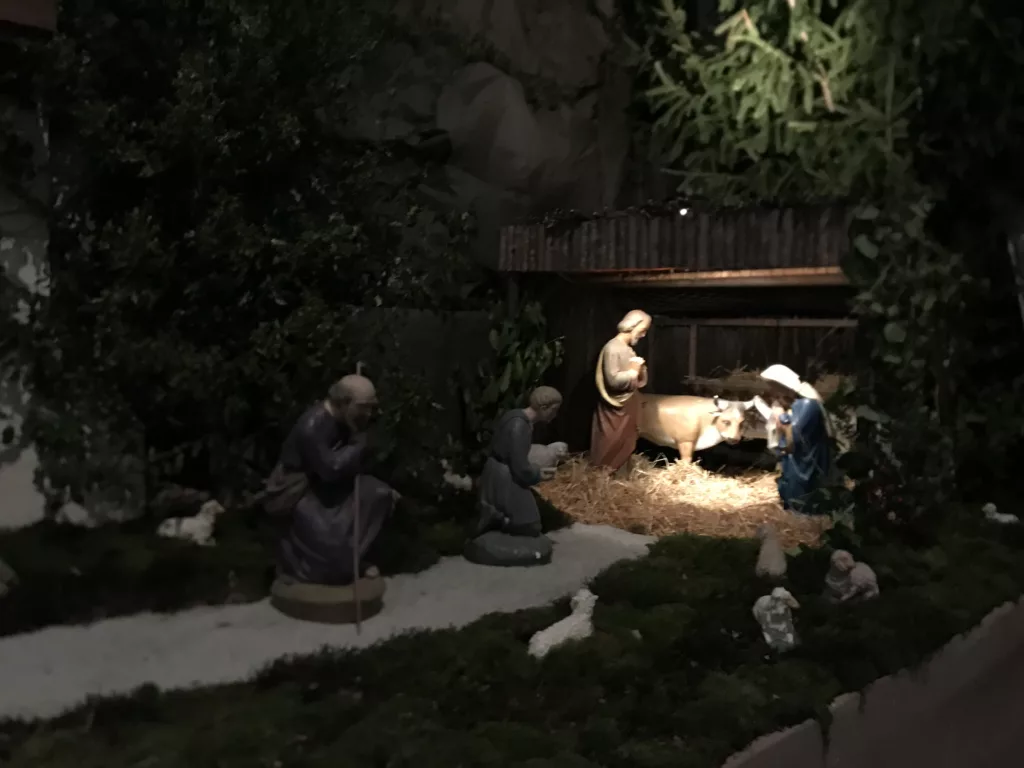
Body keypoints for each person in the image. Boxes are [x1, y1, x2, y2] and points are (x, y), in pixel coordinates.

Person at [263, 373, 397, 585]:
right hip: (299, 489)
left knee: (379, 494)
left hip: (330, 483)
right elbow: (330, 469)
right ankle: (307, 569)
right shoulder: (312, 426)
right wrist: (358, 445)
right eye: (363, 407)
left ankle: (354, 559)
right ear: (343, 403)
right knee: (331, 537)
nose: (368, 414)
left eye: (371, 407)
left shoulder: (347, 420)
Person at [473, 386, 563, 539]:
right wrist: (538, 474)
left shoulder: (516, 417)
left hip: (500, 470)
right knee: (530, 524)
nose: (555, 415)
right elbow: (519, 465)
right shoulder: (519, 426)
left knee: (527, 521)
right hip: (505, 476)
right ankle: (498, 519)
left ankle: (498, 518)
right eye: (554, 410)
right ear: (543, 408)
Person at [759, 363, 832, 514]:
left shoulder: (808, 403)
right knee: (790, 481)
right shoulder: (796, 403)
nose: (772, 391)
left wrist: (782, 416)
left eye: (774, 386)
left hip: (806, 457)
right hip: (796, 456)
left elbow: (796, 432)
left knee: (800, 485)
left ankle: (803, 510)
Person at [590, 309, 651, 476]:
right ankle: (604, 474)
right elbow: (613, 381)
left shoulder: (627, 349)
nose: (644, 335)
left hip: (627, 407)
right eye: (643, 330)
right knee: (611, 441)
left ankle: (620, 474)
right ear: (632, 325)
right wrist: (632, 372)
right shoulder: (613, 348)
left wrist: (640, 370)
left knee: (626, 441)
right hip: (615, 408)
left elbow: (638, 381)